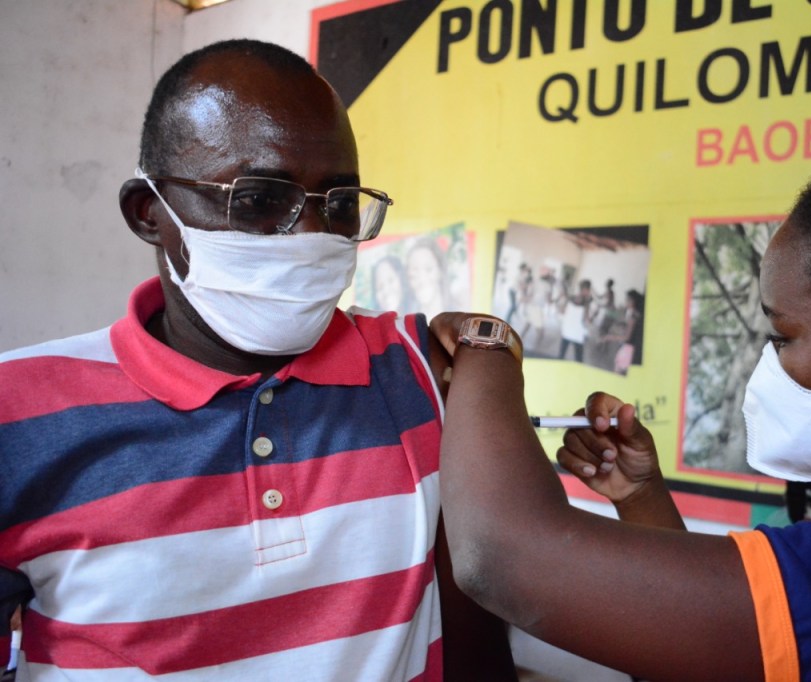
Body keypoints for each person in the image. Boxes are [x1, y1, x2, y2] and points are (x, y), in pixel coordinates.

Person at [431, 119, 811, 681]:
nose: (770, 363)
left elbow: (500, 556)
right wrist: (641, 496)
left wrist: (486, 346)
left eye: (784, 336)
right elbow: (698, 651)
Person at [0, 39, 514, 681]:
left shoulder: (418, 369)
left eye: (339, 203)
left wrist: (490, 356)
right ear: (150, 214)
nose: (310, 237)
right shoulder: (15, 413)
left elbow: (483, 618)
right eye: (258, 200)